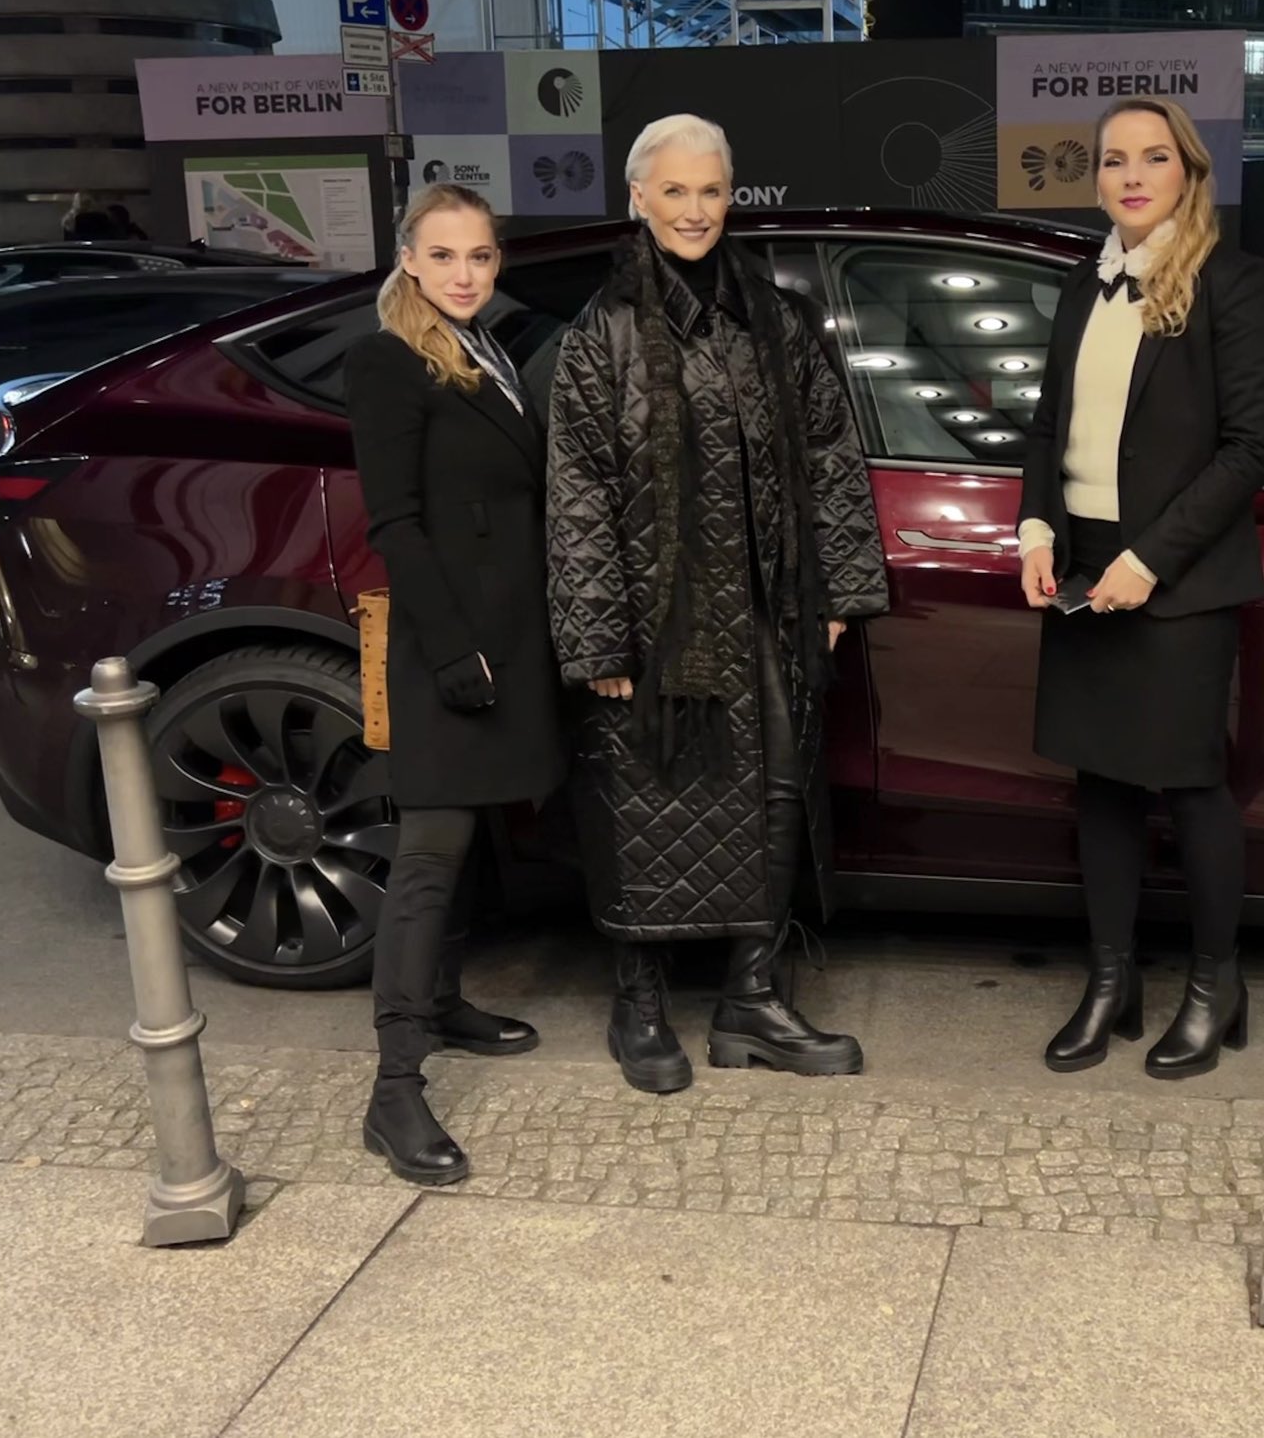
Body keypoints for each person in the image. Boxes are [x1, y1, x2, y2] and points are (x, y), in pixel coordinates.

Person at [547, 114, 886, 1094]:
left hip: (767, 611)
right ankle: (638, 999)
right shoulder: (599, 334)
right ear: (637, 198)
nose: (694, 209)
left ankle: (750, 997)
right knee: (645, 801)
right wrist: (599, 632)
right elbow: (577, 495)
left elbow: (827, 456)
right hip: (655, 626)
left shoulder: (772, 320)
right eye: (675, 190)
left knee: (776, 792)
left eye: (710, 191)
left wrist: (834, 586)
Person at [1018, 97, 1264, 1081]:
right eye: (1113, 160)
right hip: (1082, 565)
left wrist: (1149, 559)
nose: (1130, 175)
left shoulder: (1226, 280)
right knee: (1100, 783)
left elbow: (1251, 447)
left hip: (1174, 575)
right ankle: (1110, 981)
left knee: (1191, 787)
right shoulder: (1083, 286)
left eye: (1152, 157)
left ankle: (1215, 987)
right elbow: (1047, 429)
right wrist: (1036, 527)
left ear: (1188, 171)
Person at [344, 182, 566, 1183]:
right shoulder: (387, 358)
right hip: (452, 643)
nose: (464, 273)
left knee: (472, 825)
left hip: (507, 635)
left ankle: (443, 1005)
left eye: (479, 255)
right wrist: (447, 652)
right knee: (430, 849)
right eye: (444, 257)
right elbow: (395, 522)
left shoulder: (488, 350)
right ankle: (394, 1089)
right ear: (408, 261)